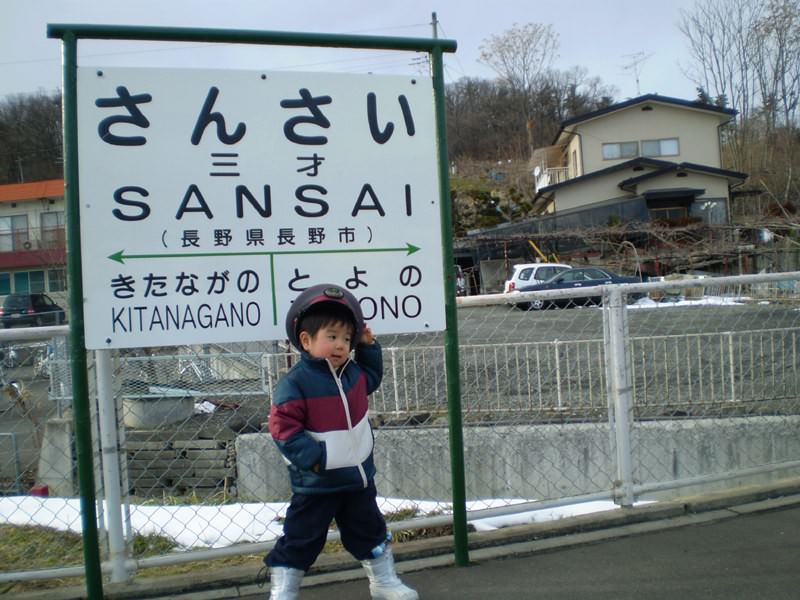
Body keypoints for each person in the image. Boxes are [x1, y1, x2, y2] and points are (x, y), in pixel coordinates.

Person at [265, 283, 419, 600]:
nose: (340, 345)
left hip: (357, 479)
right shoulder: (295, 383)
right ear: (306, 341)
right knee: (302, 536)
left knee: (369, 530)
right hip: (317, 482)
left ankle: (384, 581)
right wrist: (314, 457)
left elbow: (372, 377)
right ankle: (284, 590)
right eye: (331, 337)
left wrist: (367, 346)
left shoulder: (353, 374)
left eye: (346, 339)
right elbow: (283, 427)